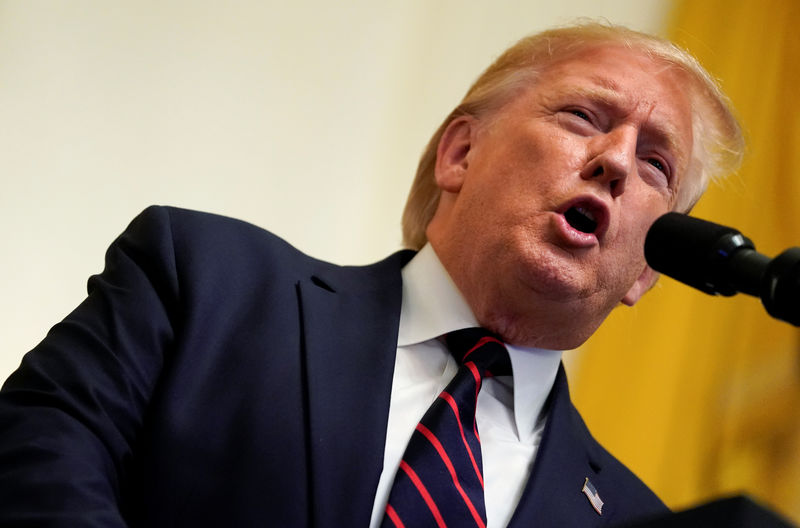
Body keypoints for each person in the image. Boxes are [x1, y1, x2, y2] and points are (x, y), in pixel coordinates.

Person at [0, 22, 743, 527]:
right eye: (583, 116)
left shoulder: (636, 518)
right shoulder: (203, 283)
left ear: (650, 270)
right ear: (460, 153)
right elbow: (33, 454)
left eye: (656, 164)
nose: (614, 161)